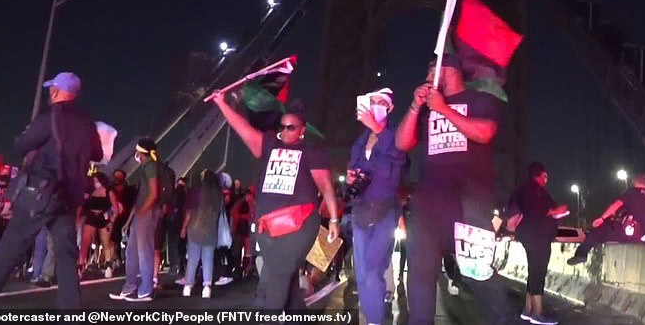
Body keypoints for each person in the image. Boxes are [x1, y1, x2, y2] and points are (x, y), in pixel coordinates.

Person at [395, 54, 512, 325]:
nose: (426, 74)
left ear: (447, 70)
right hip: (429, 202)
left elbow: (485, 133)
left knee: (477, 271)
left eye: (430, 68)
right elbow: (402, 143)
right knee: (421, 273)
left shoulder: (480, 101)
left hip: (469, 201)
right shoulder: (425, 109)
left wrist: (444, 110)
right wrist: (415, 106)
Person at [0, 72, 103, 309]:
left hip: (40, 194)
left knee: (6, 253)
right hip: (68, 198)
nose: (49, 93)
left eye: (51, 88)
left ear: (56, 91)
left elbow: (21, 144)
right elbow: (98, 154)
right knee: (66, 256)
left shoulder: (51, 117)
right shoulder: (87, 123)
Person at [210, 94, 339, 310]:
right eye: (283, 126)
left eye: (292, 127)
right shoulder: (269, 144)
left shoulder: (311, 152)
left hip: (299, 225)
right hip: (267, 226)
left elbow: (326, 187)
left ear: (302, 129)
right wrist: (222, 103)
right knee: (284, 278)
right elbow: (243, 129)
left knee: (278, 274)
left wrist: (334, 219)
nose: (286, 130)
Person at [347, 87, 406, 325]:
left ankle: (374, 320)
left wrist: (377, 129)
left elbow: (398, 163)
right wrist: (351, 180)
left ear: (390, 108)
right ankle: (374, 313)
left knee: (372, 270)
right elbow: (353, 177)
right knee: (362, 274)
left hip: (384, 211)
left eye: (383, 102)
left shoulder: (396, 136)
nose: (378, 105)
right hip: (361, 211)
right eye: (374, 101)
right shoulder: (359, 143)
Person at [506, 162, 567, 325]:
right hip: (537, 235)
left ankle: (528, 310)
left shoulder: (521, 189)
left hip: (527, 234)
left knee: (534, 270)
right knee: (539, 271)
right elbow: (537, 211)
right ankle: (538, 314)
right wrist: (556, 211)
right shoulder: (536, 191)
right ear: (540, 175)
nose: (547, 179)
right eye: (545, 176)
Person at [109, 138, 162, 302]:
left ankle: (146, 290)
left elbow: (154, 193)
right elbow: (139, 199)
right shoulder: (145, 168)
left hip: (147, 214)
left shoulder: (151, 166)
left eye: (137, 150)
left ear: (142, 151)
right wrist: (128, 221)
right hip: (140, 215)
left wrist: (142, 212)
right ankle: (129, 287)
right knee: (131, 253)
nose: (135, 154)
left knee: (144, 252)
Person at [567, 173, 645, 266]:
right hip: (643, 237)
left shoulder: (632, 192)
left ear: (635, 182)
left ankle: (581, 253)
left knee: (601, 229)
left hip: (629, 233)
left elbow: (616, 205)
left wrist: (602, 218)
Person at [180, 169, 222, 299]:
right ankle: (207, 287)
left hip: (195, 228)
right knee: (208, 259)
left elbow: (189, 213)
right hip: (210, 229)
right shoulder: (218, 194)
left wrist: (183, 228)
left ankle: (188, 287)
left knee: (193, 258)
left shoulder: (196, 192)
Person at [78, 172, 122, 277]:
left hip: (104, 217)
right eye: (93, 181)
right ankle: (80, 266)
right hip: (91, 216)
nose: (95, 183)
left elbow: (116, 209)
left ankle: (108, 266)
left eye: (97, 180)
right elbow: (81, 206)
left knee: (105, 243)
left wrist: (111, 221)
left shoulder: (109, 191)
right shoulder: (90, 191)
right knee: (85, 243)